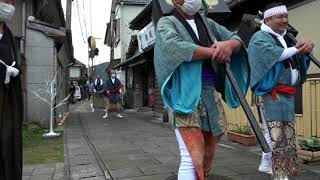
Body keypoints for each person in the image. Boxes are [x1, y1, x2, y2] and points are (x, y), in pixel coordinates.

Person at [154, 0, 249, 179]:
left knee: (209, 147)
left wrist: (228, 46)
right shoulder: (167, 22)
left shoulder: (208, 23)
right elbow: (173, 46)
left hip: (209, 91)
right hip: (185, 92)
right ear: (175, 1)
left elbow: (235, 39)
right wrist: (214, 52)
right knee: (190, 155)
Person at [248, 2, 314, 179]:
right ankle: (281, 174)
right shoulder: (259, 38)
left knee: (284, 134)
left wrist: (307, 47)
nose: (285, 20)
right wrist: (297, 48)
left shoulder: (286, 38)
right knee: (278, 136)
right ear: (268, 19)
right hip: (271, 93)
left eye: (286, 16)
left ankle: (267, 164)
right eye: (280, 17)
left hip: (287, 93)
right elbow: (276, 54)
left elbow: (295, 57)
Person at [0, 0, 23, 179]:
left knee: (9, 144)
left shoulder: (10, 37)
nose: (10, 6)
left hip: (9, 101)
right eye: (6, 1)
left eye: (12, 2)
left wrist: (15, 70)